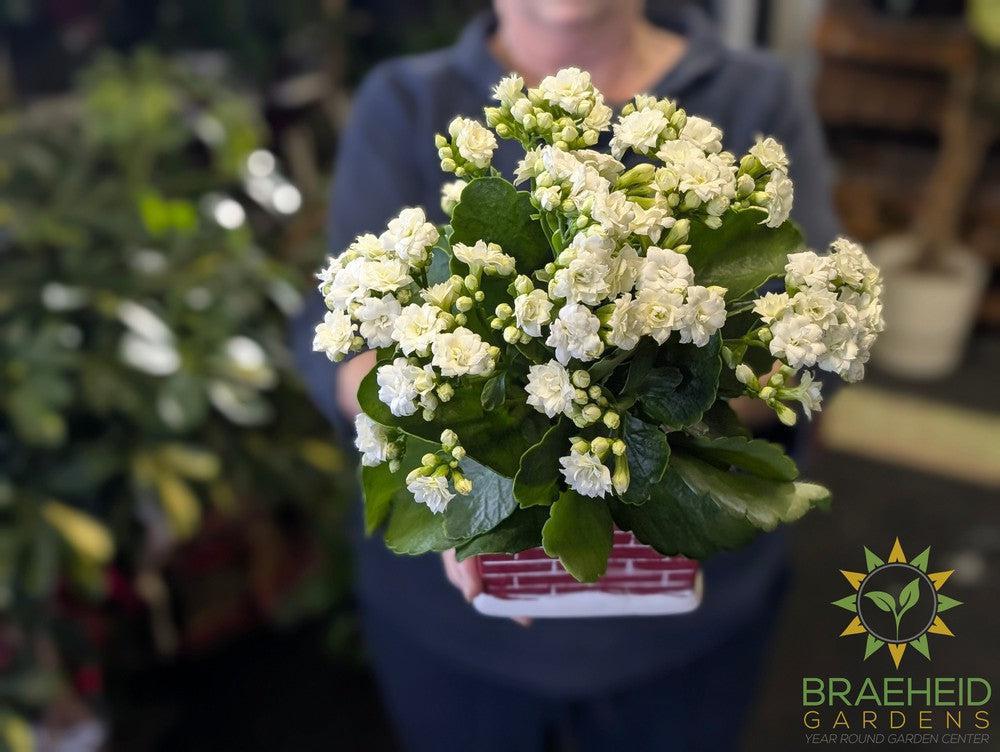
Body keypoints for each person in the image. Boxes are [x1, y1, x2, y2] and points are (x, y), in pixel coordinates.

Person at [292, 1, 838, 749]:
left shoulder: (751, 94)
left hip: (684, 638)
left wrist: (626, 425)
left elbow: (810, 336)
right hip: (459, 638)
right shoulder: (406, 100)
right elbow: (343, 338)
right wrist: (462, 475)